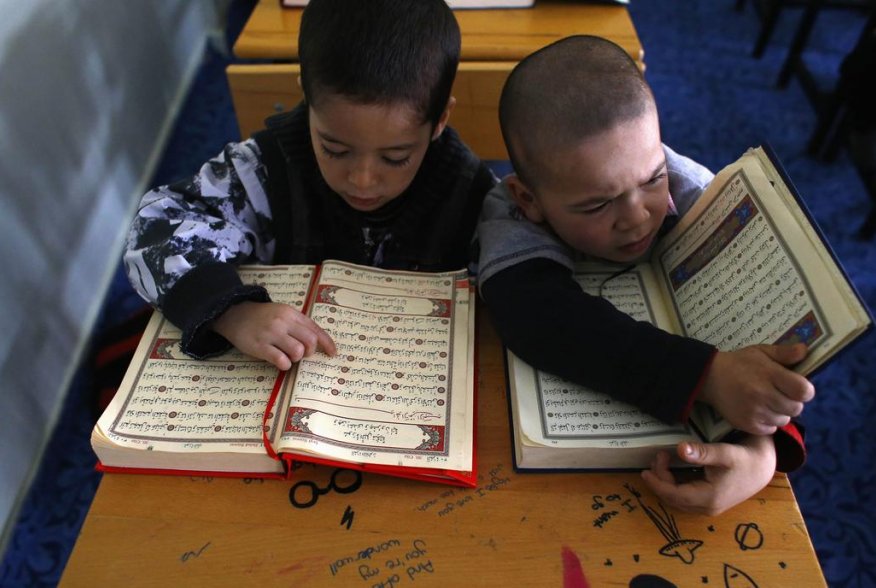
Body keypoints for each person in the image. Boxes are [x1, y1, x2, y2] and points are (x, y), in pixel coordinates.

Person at [476, 35, 814, 515]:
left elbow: (780, 341)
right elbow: (539, 317)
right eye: (597, 204)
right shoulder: (509, 211)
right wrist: (708, 375)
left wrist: (764, 452)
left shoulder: (699, 194)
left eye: (652, 179)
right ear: (528, 199)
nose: (637, 218)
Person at [124, 0, 495, 371]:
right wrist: (234, 312)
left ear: (441, 119)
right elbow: (156, 227)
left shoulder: (469, 192)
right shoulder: (265, 170)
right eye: (334, 149)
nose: (362, 179)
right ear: (308, 97)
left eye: (395, 157)